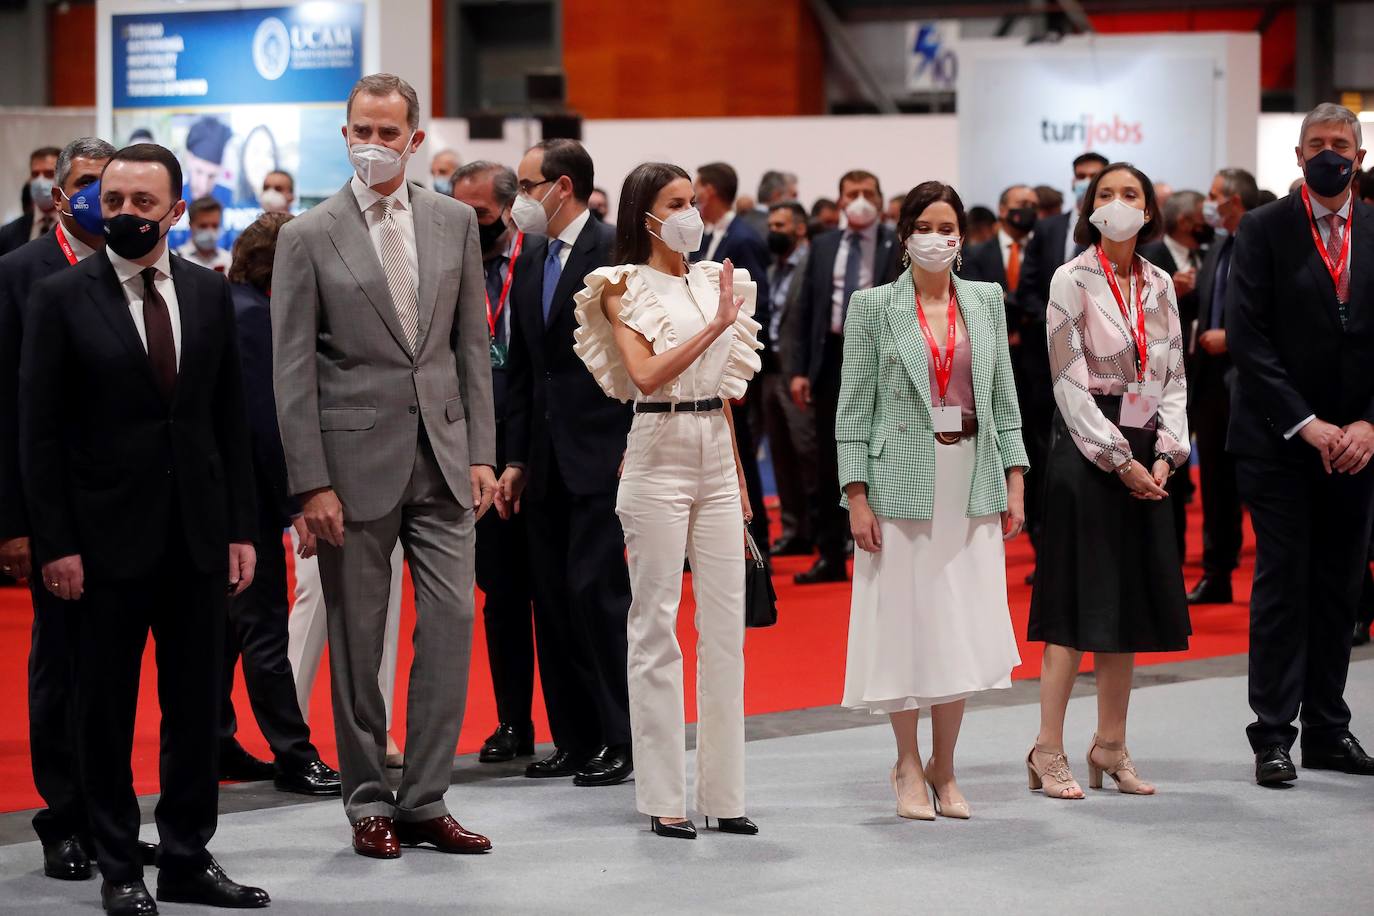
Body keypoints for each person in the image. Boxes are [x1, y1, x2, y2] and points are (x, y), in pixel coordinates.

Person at [20, 142, 269, 912]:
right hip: (99, 547)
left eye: (141, 202)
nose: (124, 213)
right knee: (104, 712)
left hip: (196, 540)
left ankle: (190, 858)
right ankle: (120, 865)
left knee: (196, 712)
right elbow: (38, 433)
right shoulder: (60, 297)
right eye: (113, 200)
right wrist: (54, 544)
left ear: (175, 209)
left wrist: (240, 529)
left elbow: (227, 420)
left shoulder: (206, 292)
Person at [271, 73, 497, 858]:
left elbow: (473, 346)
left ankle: (426, 797)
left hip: (442, 459)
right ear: (345, 136)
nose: (372, 144)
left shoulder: (455, 221)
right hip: (349, 469)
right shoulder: (306, 236)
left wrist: (481, 453)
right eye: (359, 132)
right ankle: (367, 798)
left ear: (414, 137)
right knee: (358, 646)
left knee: (451, 627)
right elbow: (291, 371)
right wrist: (309, 484)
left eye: (387, 132)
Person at [571, 161, 762, 839]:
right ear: (644, 215)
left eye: (694, 200)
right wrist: (714, 326)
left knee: (725, 631)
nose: (692, 213)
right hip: (656, 452)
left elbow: (725, 392)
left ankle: (726, 794)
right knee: (654, 626)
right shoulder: (621, 285)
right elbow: (645, 373)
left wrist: (739, 481)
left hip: (714, 447)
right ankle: (663, 797)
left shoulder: (717, 280)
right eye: (676, 202)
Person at [839, 181, 1027, 822]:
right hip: (897, 485)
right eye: (925, 224)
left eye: (949, 226)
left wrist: (1016, 474)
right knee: (904, 628)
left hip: (970, 477)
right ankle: (907, 764)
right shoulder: (873, 306)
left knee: (958, 628)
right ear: (904, 234)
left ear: (962, 237)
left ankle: (946, 766)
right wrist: (855, 496)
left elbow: (1003, 394)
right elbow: (853, 407)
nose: (938, 237)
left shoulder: (984, 300)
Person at [1026, 161, 1190, 800]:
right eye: (1106, 194)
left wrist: (1165, 457)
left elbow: (1173, 376)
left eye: (1130, 194)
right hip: (1088, 453)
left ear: (1148, 211)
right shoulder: (1072, 279)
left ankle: (1111, 745)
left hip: (1148, 455)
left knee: (1128, 606)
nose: (1118, 203)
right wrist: (1118, 459)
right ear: (1089, 208)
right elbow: (1067, 382)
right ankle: (1047, 749)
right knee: (1073, 607)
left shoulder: (1161, 283)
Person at [1229, 103, 1374, 787]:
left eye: (1340, 144)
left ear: (1360, 156)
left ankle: (1327, 729)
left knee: (1340, 589)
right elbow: (1250, 341)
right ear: (1297, 156)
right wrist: (1306, 423)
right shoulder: (1263, 229)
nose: (1329, 154)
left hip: (1359, 445)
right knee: (1284, 586)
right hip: (1279, 441)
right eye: (1317, 144)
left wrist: (1369, 425)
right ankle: (1273, 736)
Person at [0, 137, 128, 883]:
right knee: (63, 670)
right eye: (88, 186)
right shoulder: (19, 276)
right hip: (55, 515)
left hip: (135, 512)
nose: (103, 201)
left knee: (116, 676)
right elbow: (8, 413)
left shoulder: (142, 271)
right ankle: (64, 819)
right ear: (59, 195)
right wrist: (16, 523)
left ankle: (112, 817)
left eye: (113, 187)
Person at [500, 139, 634, 787]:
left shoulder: (614, 253)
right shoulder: (528, 259)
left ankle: (621, 736)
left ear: (562, 186)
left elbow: (639, 360)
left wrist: (632, 446)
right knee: (550, 602)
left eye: (526, 185)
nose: (517, 199)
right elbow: (527, 370)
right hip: (545, 461)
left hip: (603, 454)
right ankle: (574, 740)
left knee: (599, 599)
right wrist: (515, 460)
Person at [220, 213, 342, 799]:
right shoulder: (254, 321)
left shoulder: (231, 306)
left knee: (223, 632)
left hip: (221, 500)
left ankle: (217, 737)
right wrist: (298, 503)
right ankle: (295, 754)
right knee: (263, 631)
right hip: (240, 505)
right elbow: (264, 428)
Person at [451, 160, 537, 763]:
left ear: (507, 208)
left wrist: (524, 455)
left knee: (559, 595)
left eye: (477, 215)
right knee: (500, 595)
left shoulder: (536, 263)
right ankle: (514, 721)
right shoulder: (448, 264)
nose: (467, 224)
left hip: (538, 446)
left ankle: (582, 724)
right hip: (474, 455)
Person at [790, 169, 899, 584]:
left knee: (880, 448)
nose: (860, 200)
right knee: (828, 458)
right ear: (839, 202)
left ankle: (883, 542)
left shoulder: (895, 244)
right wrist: (800, 370)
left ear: (880, 199)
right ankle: (831, 556)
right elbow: (806, 309)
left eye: (868, 193)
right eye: (852, 194)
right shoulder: (822, 245)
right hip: (831, 356)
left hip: (882, 355)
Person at [1015, 151, 1109, 583]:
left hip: (1110, 371)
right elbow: (1028, 289)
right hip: (1045, 366)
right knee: (1044, 459)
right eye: (1080, 177)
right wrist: (1060, 319)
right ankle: (1046, 552)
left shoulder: (1124, 235)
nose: (1084, 182)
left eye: (1094, 177)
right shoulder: (1049, 228)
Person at [1180, 169, 1259, 606]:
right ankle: (1217, 572)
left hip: (1249, 380)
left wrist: (1233, 338)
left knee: (1256, 483)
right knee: (1214, 482)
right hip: (1210, 383)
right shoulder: (1216, 249)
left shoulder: (1262, 240)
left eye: (1213, 197)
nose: (1207, 205)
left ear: (1234, 200)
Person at [691, 162, 771, 549]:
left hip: (734, 364)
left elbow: (756, 307)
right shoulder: (710, 236)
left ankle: (757, 537)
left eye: (696, 189)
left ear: (711, 191)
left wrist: (744, 370)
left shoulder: (743, 238)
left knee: (742, 453)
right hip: (710, 362)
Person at [1139, 188, 1208, 556]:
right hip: (1151, 379)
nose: (1207, 220)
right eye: (1202, 213)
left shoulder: (1206, 254)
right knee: (1156, 457)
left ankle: (1176, 551)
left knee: (1181, 460)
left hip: (1201, 375)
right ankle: (1166, 547)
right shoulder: (1151, 259)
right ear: (1184, 220)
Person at [763, 200, 818, 557]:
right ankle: (794, 528)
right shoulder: (771, 270)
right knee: (780, 453)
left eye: (781, 225)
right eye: (771, 225)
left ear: (800, 228)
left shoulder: (812, 265)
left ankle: (819, 527)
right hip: (770, 371)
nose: (773, 232)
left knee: (807, 452)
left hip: (797, 370)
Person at [0, 146, 61, 255]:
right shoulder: (7, 233)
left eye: (49, 174)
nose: (40, 181)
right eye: (35, 174)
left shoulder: (77, 228)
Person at [182, 118, 234, 206]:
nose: (204, 187)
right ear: (189, 159)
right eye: (199, 172)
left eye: (211, 176)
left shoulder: (230, 199)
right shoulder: (174, 197)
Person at [177, 196, 232, 272]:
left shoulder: (229, 260)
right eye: (203, 226)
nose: (210, 231)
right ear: (191, 225)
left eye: (214, 226)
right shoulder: (177, 258)